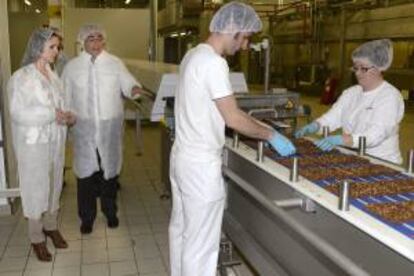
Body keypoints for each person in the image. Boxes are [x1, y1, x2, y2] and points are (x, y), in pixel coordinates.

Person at [168, 2, 296, 276]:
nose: (246, 45)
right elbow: (234, 119)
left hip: (182, 157)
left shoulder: (193, 55)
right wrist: (271, 134)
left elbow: (223, 109)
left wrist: (260, 125)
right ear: (233, 29)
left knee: (182, 232)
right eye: (246, 37)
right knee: (201, 246)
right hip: (201, 167)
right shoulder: (214, 63)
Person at [62, 24, 144, 234]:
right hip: (84, 128)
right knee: (85, 175)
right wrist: (67, 114)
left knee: (110, 172)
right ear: (83, 42)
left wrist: (133, 88)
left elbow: (128, 82)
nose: (96, 43)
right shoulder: (72, 67)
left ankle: (110, 212)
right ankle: (86, 218)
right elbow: (65, 95)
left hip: (109, 128)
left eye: (100, 38)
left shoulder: (114, 63)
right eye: (91, 39)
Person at [8, 27, 75, 262]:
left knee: (54, 184)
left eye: (57, 47)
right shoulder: (21, 77)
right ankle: (36, 238)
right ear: (39, 48)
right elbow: (18, 113)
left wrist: (68, 115)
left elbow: (62, 102)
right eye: (53, 47)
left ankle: (51, 227)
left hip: (55, 141)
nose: (57, 52)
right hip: (34, 145)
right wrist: (51, 114)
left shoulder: (52, 74)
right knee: (36, 189)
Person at [295, 39, 404, 164]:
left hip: (381, 162)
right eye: (356, 68)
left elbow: (376, 134)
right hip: (353, 157)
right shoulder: (351, 93)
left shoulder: (389, 96)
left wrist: (343, 139)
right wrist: (316, 126)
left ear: (378, 68)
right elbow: (333, 117)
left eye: (363, 69)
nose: (357, 73)